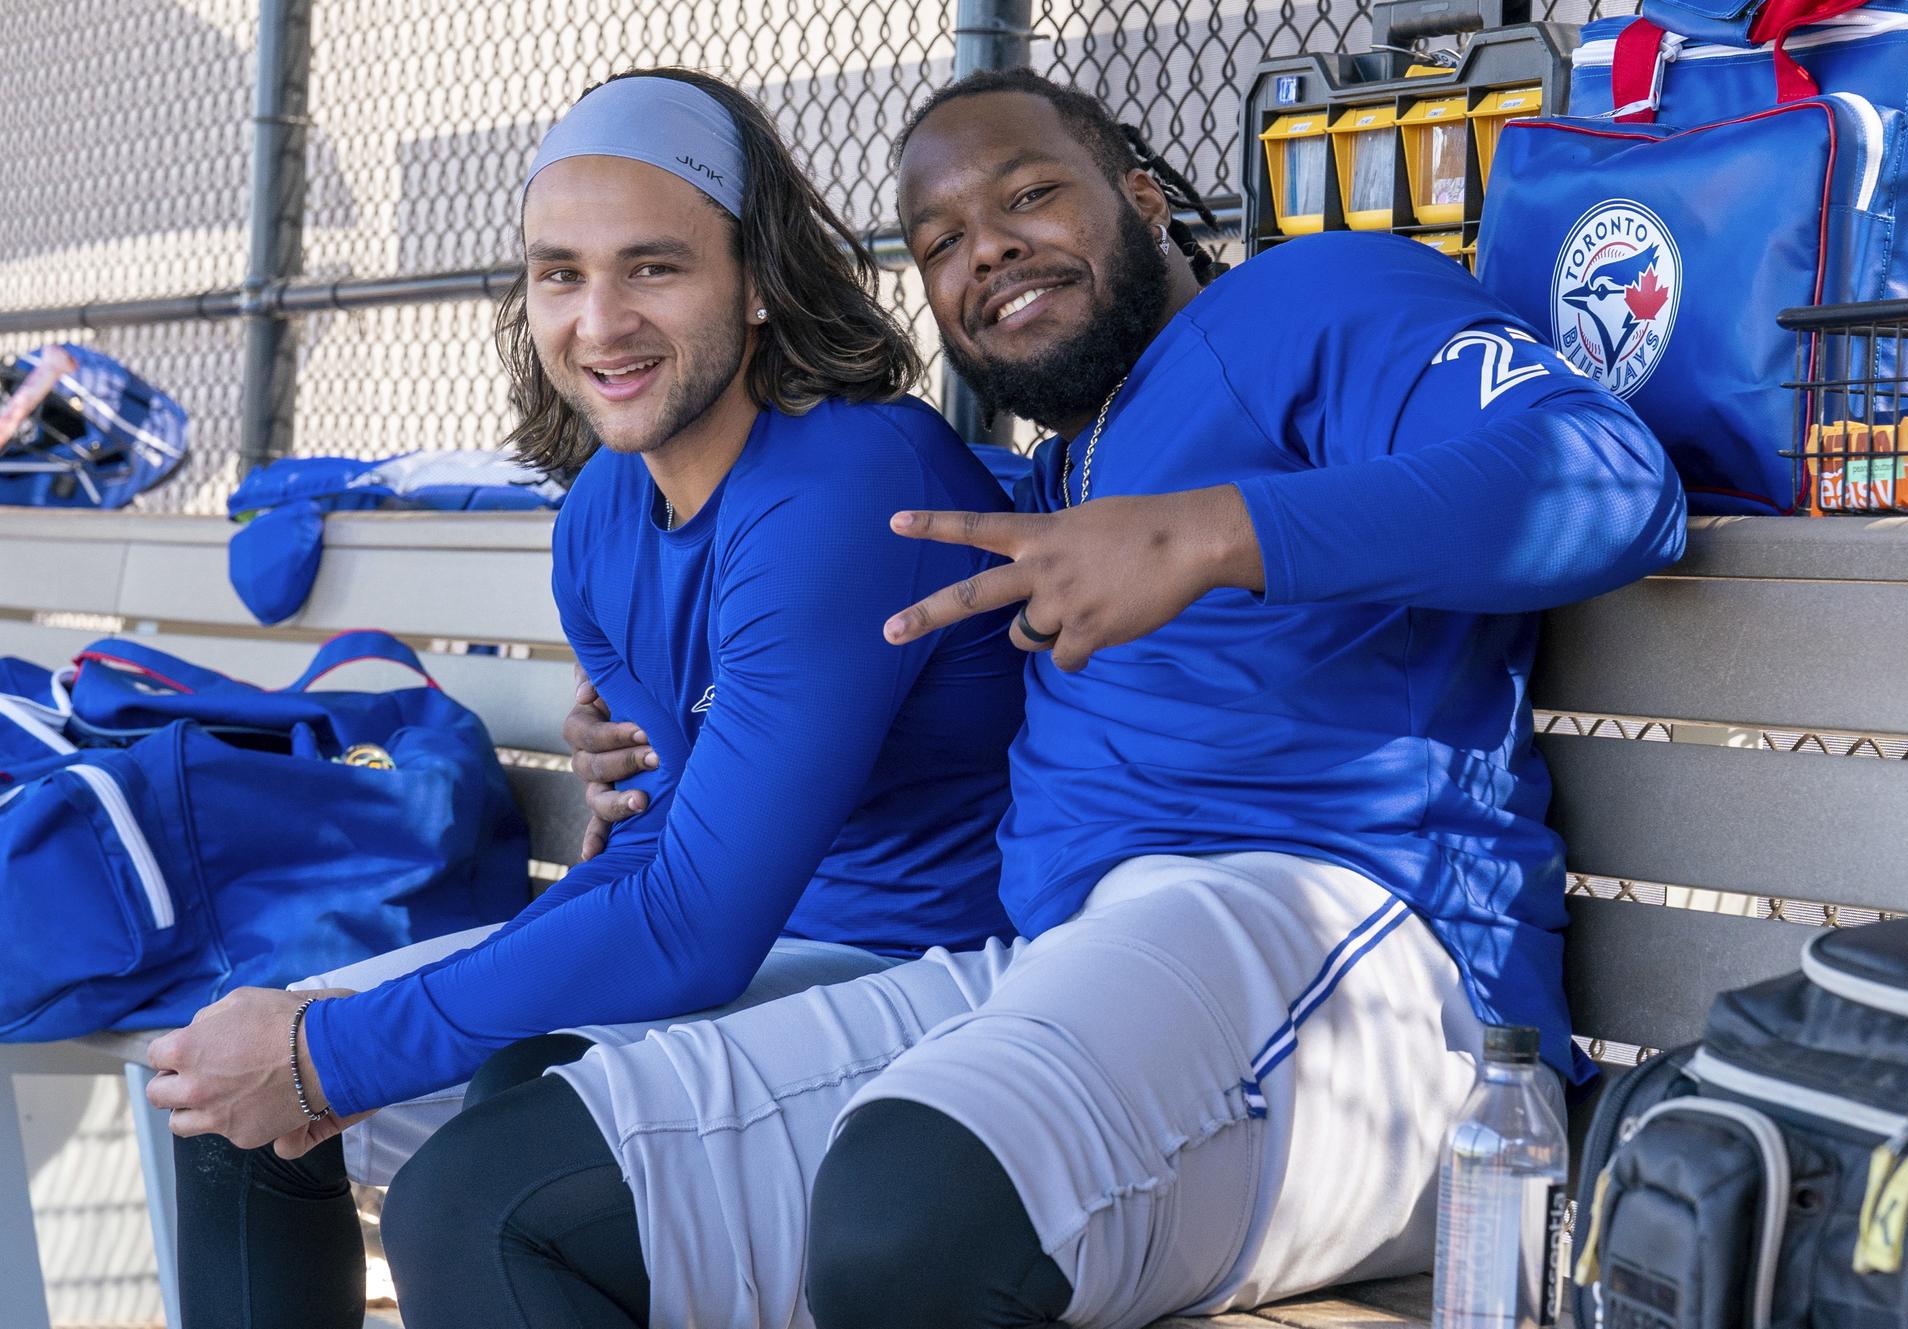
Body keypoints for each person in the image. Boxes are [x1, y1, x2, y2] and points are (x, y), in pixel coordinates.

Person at [380, 69, 1688, 1329]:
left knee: (915, 1212)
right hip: (1059, 970)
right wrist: (665, 717)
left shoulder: (1321, 295)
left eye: (1028, 197)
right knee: (500, 1194)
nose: (986, 249)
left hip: (1369, 968)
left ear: (1147, 197)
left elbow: (1611, 478)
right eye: (940, 239)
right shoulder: (1045, 485)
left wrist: (1208, 534)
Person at [142, 67, 1029, 1328]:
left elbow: (696, 924)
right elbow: (657, 842)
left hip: (922, 972)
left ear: (758, 279)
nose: (599, 322)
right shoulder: (604, 512)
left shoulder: (844, 483)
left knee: (496, 1154)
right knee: (223, 1096)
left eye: (653, 268)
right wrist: (304, 1051)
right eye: (560, 274)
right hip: (747, 948)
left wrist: (331, 1050)